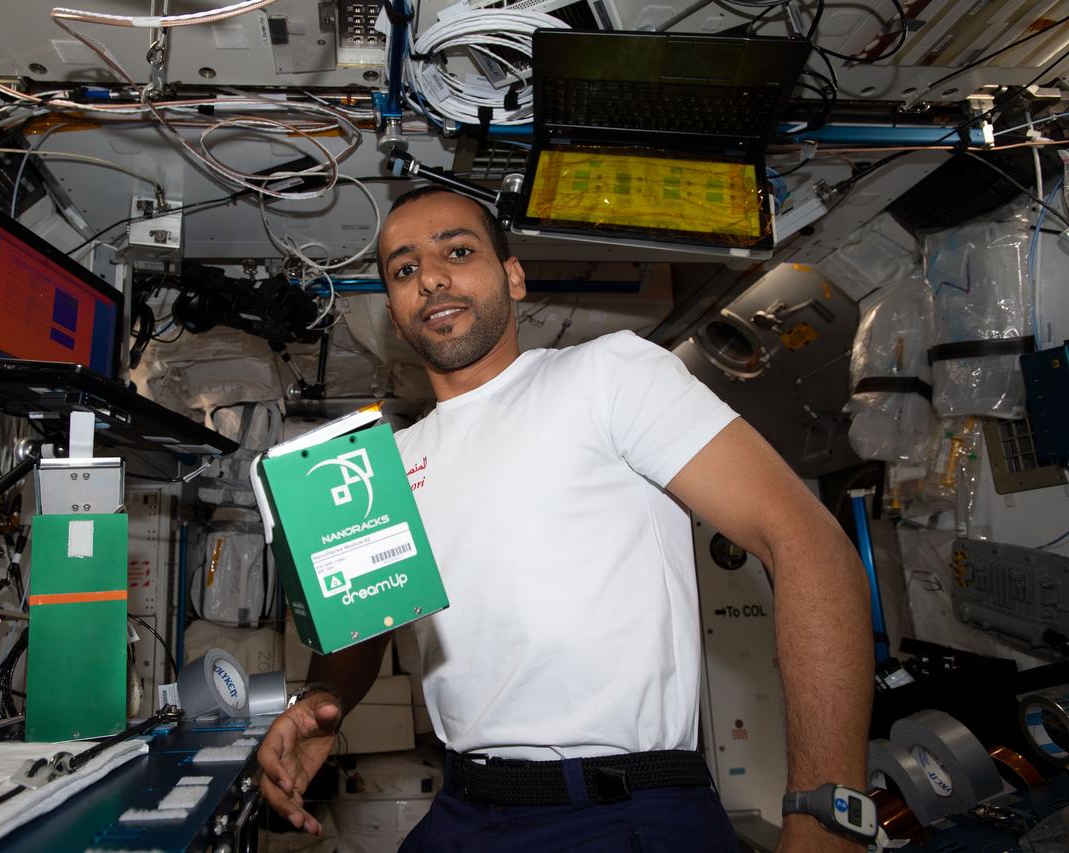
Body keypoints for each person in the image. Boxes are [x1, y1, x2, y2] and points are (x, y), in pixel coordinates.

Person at [257, 186, 873, 852]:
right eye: (404, 270)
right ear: (398, 314)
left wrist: (826, 810)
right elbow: (360, 633)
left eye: (457, 251)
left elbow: (806, 539)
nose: (431, 277)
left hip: (621, 809)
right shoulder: (381, 465)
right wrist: (319, 703)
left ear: (513, 276)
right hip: (463, 808)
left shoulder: (609, 373)